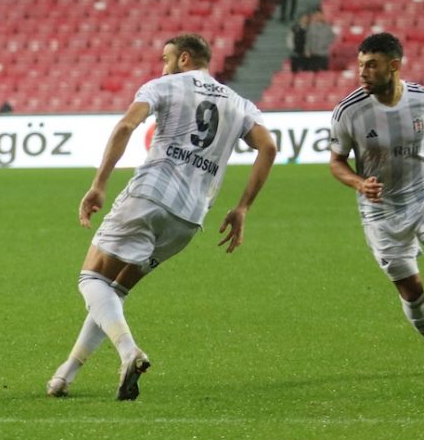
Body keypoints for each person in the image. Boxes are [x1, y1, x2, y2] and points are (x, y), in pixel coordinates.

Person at [45, 34, 278, 400]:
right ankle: (65, 375)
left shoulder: (164, 86)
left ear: (184, 58)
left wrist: (99, 184)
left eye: (165, 58)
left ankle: (129, 352)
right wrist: (243, 206)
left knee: (91, 278)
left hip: (150, 195)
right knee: (114, 290)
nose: (162, 65)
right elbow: (269, 146)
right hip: (189, 218)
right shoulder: (239, 104)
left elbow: (125, 126)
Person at [329, 32, 424, 378]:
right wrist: (358, 182)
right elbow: (336, 162)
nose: (363, 73)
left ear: (394, 66)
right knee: (411, 291)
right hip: (380, 211)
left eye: (372, 65)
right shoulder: (348, 112)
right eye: (360, 65)